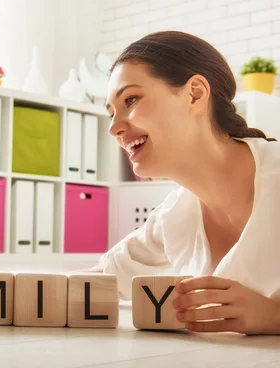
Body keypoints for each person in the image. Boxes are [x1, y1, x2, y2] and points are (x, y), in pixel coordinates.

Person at [92, 31, 280, 336]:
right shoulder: (174, 216)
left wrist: (274, 315)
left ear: (194, 93)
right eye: (112, 113)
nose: (114, 128)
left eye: (131, 99)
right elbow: (98, 279)